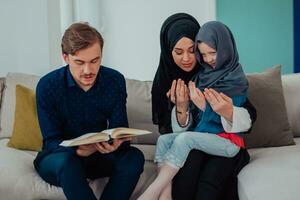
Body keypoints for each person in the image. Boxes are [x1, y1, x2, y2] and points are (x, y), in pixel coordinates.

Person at [33, 22, 145, 200]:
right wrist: (78, 151)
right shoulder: (48, 86)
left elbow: (119, 128)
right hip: (61, 159)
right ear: (65, 57)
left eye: (95, 61)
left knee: (134, 158)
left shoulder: (114, 80)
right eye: (79, 62)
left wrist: (117, 143)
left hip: (99, 155)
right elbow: (51, 142)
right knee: (66, 162)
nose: (88, 70)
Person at [151, 13, 256, 200]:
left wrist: (224, 111)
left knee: (212, 179)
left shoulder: (219, 71)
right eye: (178, 51)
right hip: (192, 143)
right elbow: (169, 132)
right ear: (168, 51)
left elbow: (249, 115)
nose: (186, 58)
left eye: (192, 50)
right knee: (186, 173)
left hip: (223, 142)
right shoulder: (164, 82)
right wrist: (182, 108)